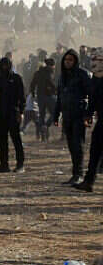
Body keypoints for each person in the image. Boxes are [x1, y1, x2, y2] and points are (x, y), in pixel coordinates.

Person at [53, 48, 91, 185]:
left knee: (77, 145)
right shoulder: (62, 76)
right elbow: (59, 97)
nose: (67, 62)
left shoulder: (83, 74)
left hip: (79, 115)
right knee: (70, 145)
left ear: (75, 61)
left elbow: (91, 94)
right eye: (66, 60)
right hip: (67, 115)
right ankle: (75, 174)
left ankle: (79, 174)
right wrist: (56, 115)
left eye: (70, 60)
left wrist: (88, 114)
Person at [75, 49, 103, 192]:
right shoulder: (95, 79)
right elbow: (93, 98)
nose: (94, 63)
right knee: (95, 148)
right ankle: (89, 181)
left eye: (97, 60)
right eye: (93, 60)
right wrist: (88, 114)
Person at [0, 57, 26, 172]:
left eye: (6, 65)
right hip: (0, 114)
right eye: (3, 65)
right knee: (2, 140)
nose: (5, 67)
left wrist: (21, 112)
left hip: (13, 113)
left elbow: (22, 96)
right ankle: (4, 164)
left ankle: (20, 164)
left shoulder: (16, 78)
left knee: (16, 139)